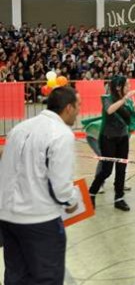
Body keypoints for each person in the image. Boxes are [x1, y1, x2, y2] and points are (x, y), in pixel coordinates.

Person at [0, 86, 81, 284]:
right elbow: (61, 186)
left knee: (15, 275)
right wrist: (72, 200)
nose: (79, 111)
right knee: (46, 277)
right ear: (69, 108)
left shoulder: (19, 128)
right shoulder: (61, 134)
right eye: (78, 106)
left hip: (8, 217)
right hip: (39, 220)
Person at [88, 76, 135, 211]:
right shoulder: (107, 98)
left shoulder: (128, 102)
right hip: (108, 138)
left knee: (121, 170)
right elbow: (110, 110)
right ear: (118, 87)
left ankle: (119, 198)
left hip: (123, 138)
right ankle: (91, 192)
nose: (129, 87)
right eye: (126, 85)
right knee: (107, 170)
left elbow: (131, 119)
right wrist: (125, 99)